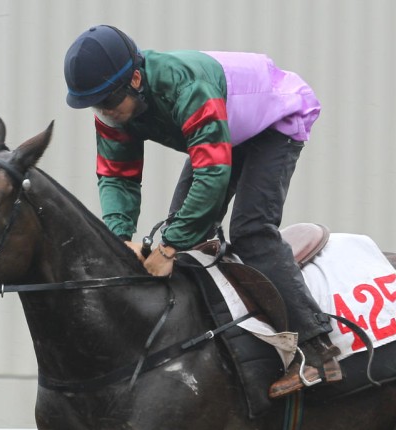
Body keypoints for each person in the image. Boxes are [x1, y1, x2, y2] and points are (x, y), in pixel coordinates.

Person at [63, 24, 342, 398]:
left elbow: (212, 175)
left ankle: (316, 349)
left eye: (109, 101)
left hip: (275, 117)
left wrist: (168, 247)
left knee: (251, 231)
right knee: (191, 237)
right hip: (224, 128)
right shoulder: (114, 108)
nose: (105, 112)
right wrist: (120, 239)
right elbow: (117, 177)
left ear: (134, 79)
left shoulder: (185, 85)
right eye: (96, 104)